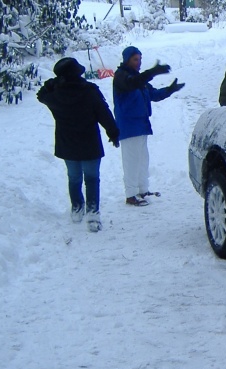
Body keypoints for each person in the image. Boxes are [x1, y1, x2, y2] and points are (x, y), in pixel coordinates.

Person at [37, 57, 120, 233]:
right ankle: (92, 213)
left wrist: (53, 83)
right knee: (91, 179)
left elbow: (41, 95)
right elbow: (104, 114)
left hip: (66, 144)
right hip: (89, 143)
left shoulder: (54, 95)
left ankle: (77, 208)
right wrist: (113, 133)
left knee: (74, 178)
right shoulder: (89, 92)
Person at [113, 46, 185, 207]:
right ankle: (130, 194)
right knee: (131, 160)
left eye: (140, 59)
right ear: (126, 60)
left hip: (141, 124)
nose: (139, 63)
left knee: (142, 159)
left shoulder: (139, 79)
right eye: (135, 59)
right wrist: (152, 72)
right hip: (128, 126)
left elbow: (153, 94)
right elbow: (132, 84)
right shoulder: (122, 77)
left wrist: (170, 90)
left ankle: (142, 189)